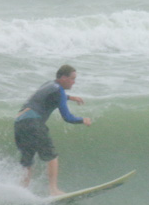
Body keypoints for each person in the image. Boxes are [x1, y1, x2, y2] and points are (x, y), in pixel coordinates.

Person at [14, 64, 92, 195]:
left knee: (28, 162)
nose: (74, 82)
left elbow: (43, 95)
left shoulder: (48, 84)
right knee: (52, 157)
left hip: (19, 122)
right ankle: (54, 190)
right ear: (63, 77)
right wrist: (82, 119)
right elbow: (67, 117)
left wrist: (69, 97)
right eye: (72, 79)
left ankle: (21, 191)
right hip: (34, 122)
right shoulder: (59, 91)